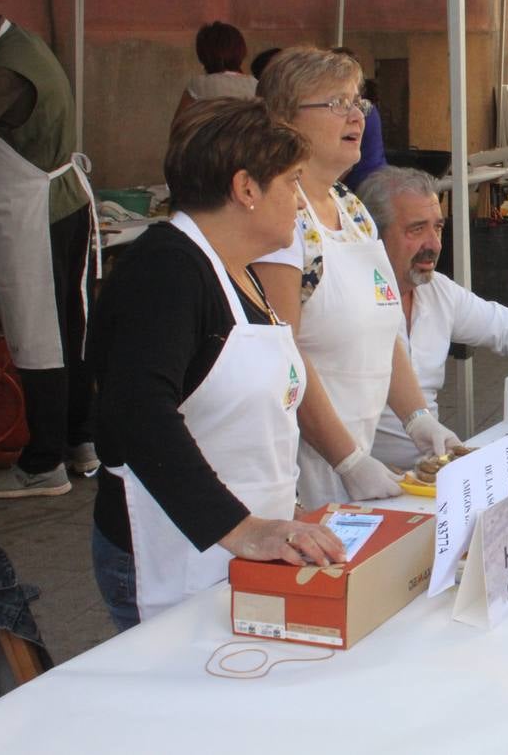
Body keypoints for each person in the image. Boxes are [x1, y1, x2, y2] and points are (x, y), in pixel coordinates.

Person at [89, 99, 345, 629]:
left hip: (242, 550)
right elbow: (137, 413)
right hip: (173, 553)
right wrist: (242, 528)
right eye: (291, 182)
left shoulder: (241, 273)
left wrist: (281, 512)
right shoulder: (165, 270)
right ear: (246, 188)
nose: (300, 203)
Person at [253, 47, 453, 511]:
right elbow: (285, 354)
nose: (357, 116)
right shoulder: (284, 216)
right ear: (284, 119)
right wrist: (347, 461)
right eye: (336, 103)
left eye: (357, 102)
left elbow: (386, 333)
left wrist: (419, 418)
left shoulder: (353, 208)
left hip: (354, 466)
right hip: (301, 475)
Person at [356, 167, 508, 467]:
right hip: (359, 488)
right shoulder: (345, 304)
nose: (435, 244)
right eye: (416, 229)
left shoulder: (438, 291)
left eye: (437, 227)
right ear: (373, 235)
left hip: (430, 475)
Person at [0, 0, 97, 499]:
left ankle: (44, 463)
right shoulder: (21, 41)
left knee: (40, 336)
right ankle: (80, 440)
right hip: (58, 204)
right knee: (70, 327)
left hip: (38, 210)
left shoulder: (3, 70)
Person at [173, 21, 258, 122]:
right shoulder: (257, 85)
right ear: (241, 50)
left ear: (203, 54)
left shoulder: (197, 85)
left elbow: (179, 127)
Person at [333, 47, 386, 190]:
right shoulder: (368, 108)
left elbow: (346, 167)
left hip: (364, 187)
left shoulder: (362, 111)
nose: (357, 116)